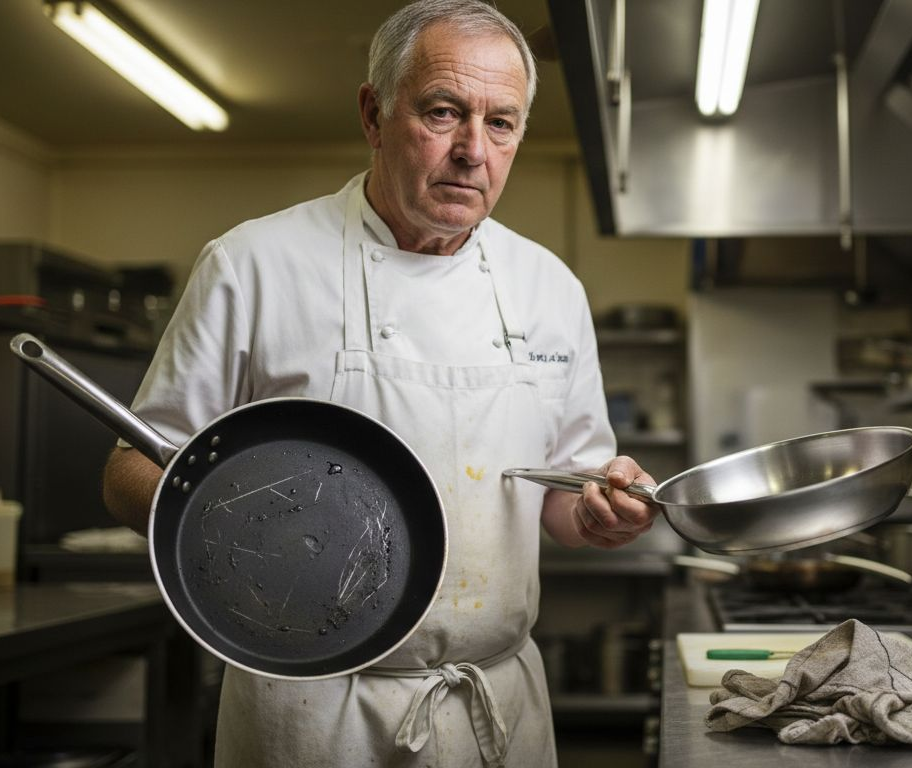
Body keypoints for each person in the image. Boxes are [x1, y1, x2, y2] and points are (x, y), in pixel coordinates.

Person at [100, 1, 659, 766]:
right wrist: (249, 530)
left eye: (501, 123)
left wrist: (602, 509)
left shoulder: (548, 287)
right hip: (308, 712)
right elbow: (132, 469)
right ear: (373, 114)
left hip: (496, 707)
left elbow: (565, 496)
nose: (473, 151)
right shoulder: (254, 265)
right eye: (442, 112)